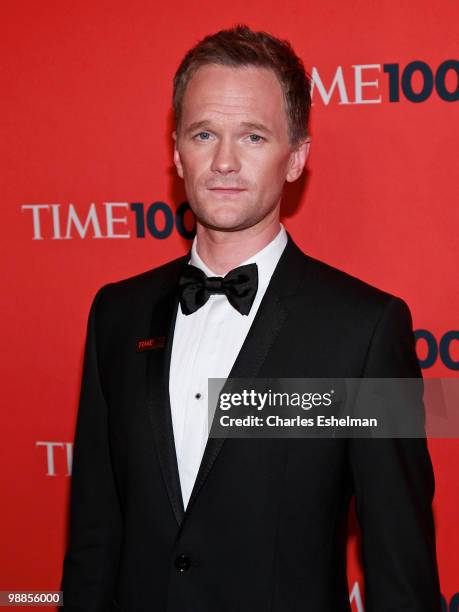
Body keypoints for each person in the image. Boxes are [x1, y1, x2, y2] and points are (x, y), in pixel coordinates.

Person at [60, 24, 441, 611]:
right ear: (176, 150)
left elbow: (400, 566)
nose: (225, 162)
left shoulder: (364, 330)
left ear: (297, 159)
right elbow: (94, 537)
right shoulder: (116, 313)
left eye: (255, 137)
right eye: (204, 133)